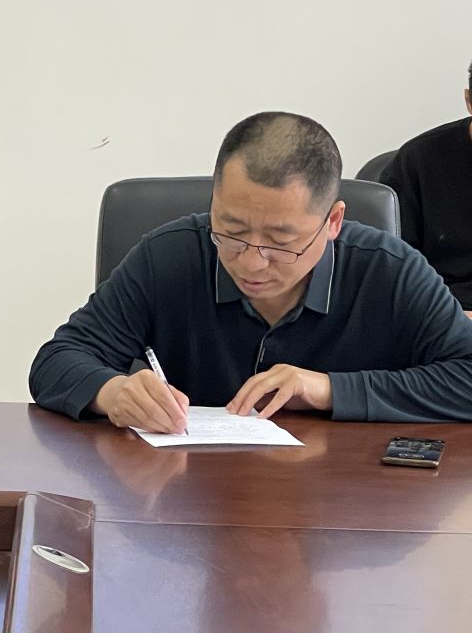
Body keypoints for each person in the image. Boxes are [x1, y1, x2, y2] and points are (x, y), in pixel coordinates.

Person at [30, 112, 472, 432]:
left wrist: (329, 390)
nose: (251, 262)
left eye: (281, 241)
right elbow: (56, 360)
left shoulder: (389, 271)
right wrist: (111, 392)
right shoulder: (170, 255)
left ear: (333, 222)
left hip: (343, 504)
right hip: (185, 499)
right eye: (232, 231)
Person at [380, 59, 472, 317]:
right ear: (469, 100)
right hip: (445, 312)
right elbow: (392, 272)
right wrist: (449, 317)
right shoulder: (418, 162)